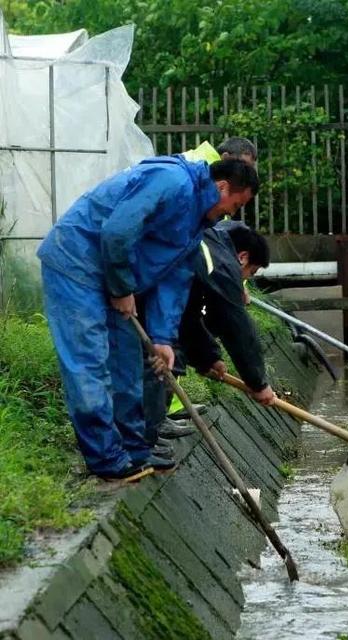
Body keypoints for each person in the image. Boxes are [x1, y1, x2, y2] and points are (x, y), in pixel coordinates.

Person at [37, 156, 259, 481]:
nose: (232, 214)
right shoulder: (172, 181)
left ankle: (134, 448)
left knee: (126, 362)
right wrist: (121, 287)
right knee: (89, 362)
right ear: (222, 187)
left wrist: (162, 338)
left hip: (115, 275)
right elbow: (116, 231)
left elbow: (173, 281)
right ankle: (107, 459)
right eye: (236, 204)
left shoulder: (196, 225)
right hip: (77, 262)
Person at [145, 137, 258, 438]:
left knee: (173, 331)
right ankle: (148, 431)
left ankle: (155, 421)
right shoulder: (195, 177)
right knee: (161, 344)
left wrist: (208, 356)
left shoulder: (200, 177)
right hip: (150, 275)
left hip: (169, 275)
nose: (232, 212)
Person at [145, 222, 276, 459]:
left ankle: (154, 425)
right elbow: (235, 326)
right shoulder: (220, 262)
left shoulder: (215, 242)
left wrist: (209, 358)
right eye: (251, 273)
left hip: (171, 311)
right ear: (243, 258)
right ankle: (145, 439)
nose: (246, 279)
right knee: (160, 359)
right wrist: (258, 383)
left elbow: (190, 318)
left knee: (174, 351)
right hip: (148, 306)